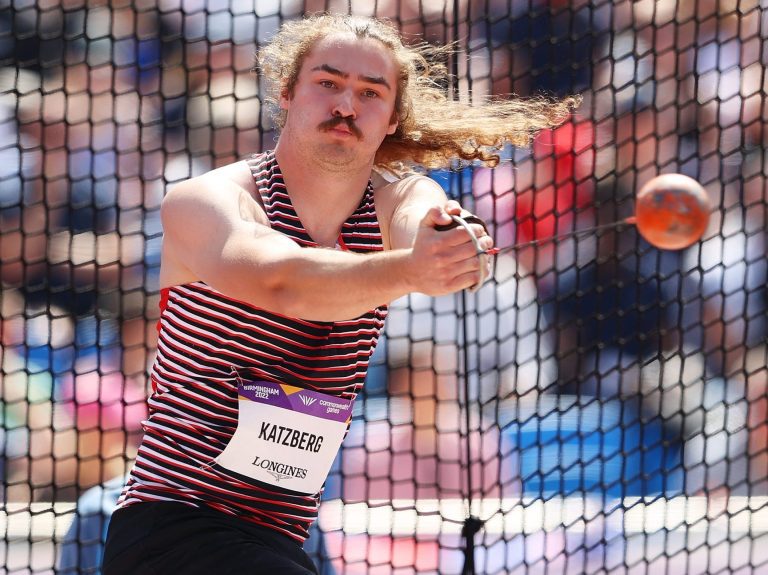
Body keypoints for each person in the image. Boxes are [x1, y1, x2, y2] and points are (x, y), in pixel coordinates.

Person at [102, 13, 577, 575]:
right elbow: (284, 283)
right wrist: (412, 269)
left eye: (370, 93)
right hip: (176, 526)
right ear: (287, 92)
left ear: (393, 116)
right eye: (328, 83)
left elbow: (424, 217)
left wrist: (451, 240)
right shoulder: (206, 199)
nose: (346, 105)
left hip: (285, 533)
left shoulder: (394, 200)